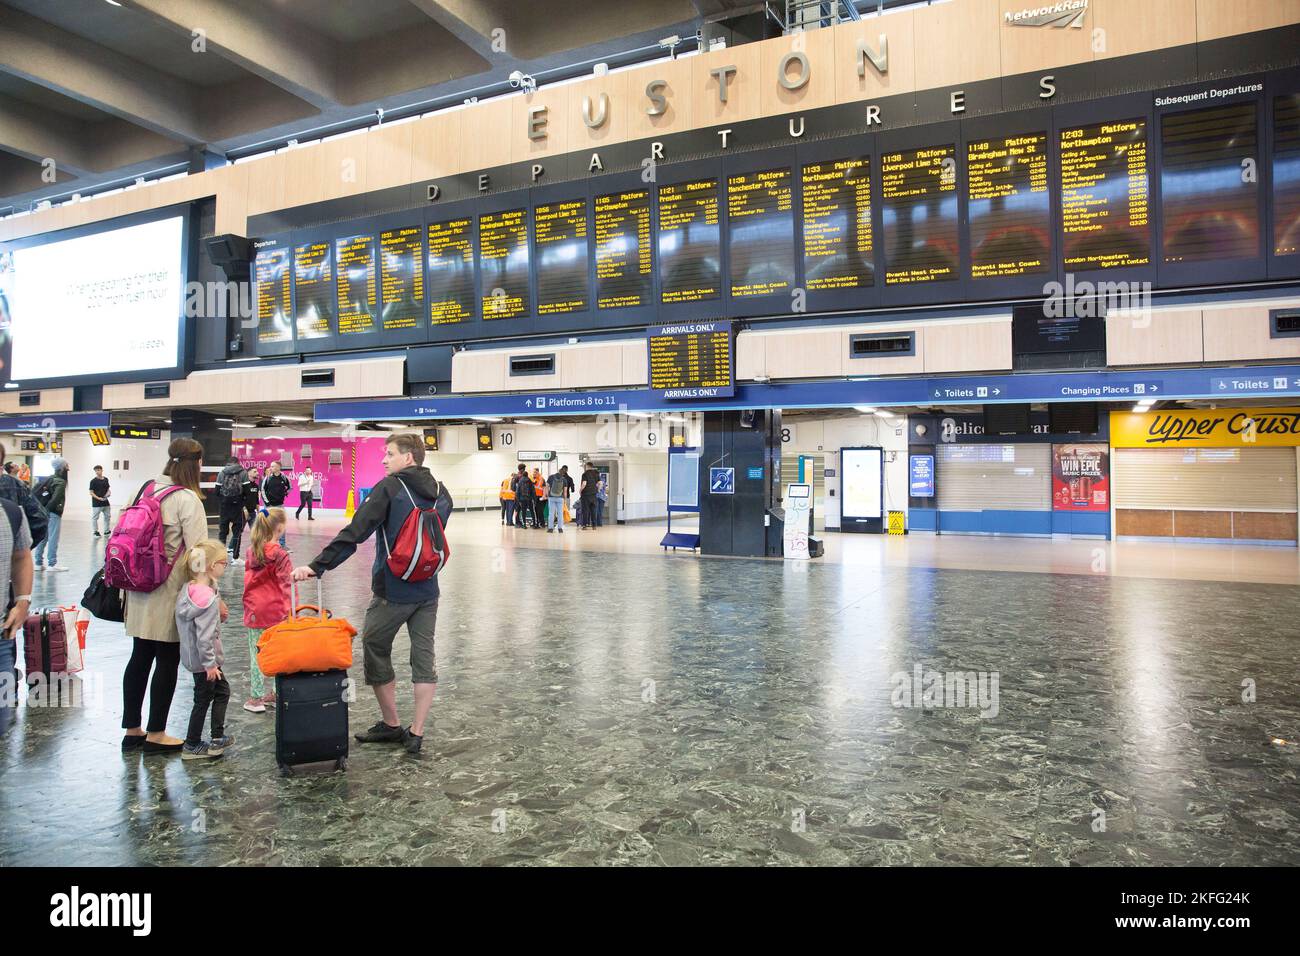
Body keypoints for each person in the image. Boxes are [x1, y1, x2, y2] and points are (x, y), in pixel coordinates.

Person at [292, 434, 446, 756]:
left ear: (408, 458)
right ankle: (416, 732)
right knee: (424, 656)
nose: (383, 460)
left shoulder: (389, 489)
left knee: (375, 647)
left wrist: (317, 565)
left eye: (389, 454)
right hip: (428, 588)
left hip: (392, 590)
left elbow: (355, 533)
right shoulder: (441, 493)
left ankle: (391, 724)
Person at [121, 438, 217, 755]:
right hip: (168, 590)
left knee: (139, 656)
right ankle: (157, 733)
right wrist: (209, 592)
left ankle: (132, 730)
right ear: (195, 464)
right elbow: (199, 554)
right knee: (167, 659)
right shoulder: (187, 499)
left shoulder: (145, 489)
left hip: (137, 588)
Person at [176, 539, 234, 760]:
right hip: (206, 662)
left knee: (220, 692)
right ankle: (192, 744)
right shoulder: (207, 598)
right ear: (211, 565)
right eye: (223, 563)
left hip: (198, 659)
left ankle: (217, 737)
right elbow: (205, 636)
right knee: (204, 699)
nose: (225, 567)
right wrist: (210, 664)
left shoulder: (190, 589)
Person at [242, 508, 291, 714]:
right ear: (279, 528)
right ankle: (276, 692)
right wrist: (290, 611)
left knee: (257, 655)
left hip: (255, 610)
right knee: (278, 654)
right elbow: (286, 585)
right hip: (277, 612)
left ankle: (256, 698)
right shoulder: (281, 555)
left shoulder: (251, 551)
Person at [0, 493, 33, 739]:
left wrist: (22, 602)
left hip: (1, 634)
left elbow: (21, 557)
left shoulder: (11, 513)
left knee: (2, 718)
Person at [0, 443, 46, 551]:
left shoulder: (17, 485)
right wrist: (19, 548)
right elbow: (40, 520)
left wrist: (20, 551)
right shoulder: (17, 484)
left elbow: (39, 520)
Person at [32, 458, 68, 572]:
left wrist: (43, 510)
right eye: (67, 465)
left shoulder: (48, 479)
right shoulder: (60, 481)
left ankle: (38, 563)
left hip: (42, 511)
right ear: (62, 467)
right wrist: (48, 510)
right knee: (53, 537)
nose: (69, 467)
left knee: (43, 537)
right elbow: (56, 498)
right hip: (53, 513)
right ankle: (52, 564)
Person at [216, 457, 248, 563]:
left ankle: (220, 558)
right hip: (237, 506)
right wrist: (241, 503)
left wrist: (222, 502)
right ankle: (235, 557)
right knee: (237, 532)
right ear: (238, 463)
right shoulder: (243, 473)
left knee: (222, 532)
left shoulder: (222, 472)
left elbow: (216, 491)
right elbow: (247, 491)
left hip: (224, 506)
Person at [261, 463, 291, 546]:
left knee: (282, 525)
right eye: (270, 466)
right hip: (268, 506)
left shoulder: (284, 478)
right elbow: (262, 490)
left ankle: (282, 545)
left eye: (272, 466)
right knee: (267, 524)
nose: (270, 468)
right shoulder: (268, 478)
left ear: (278, 467)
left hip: (280, 505)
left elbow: (289, 487)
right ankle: (267, 544)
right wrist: (267, 502)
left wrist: (284, 493)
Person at [89, 465, 112, 537]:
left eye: (99, 470)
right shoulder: (93, 481)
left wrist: (108, 494)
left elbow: (108, 489)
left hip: (105, 502)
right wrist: (99, 498)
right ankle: (95, 532)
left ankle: (106, 531)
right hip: (97, 503)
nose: (97, 471)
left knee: (107, 517)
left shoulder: (106, 479)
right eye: (96, 470)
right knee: (95, 518)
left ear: (102, 470)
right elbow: (91, 492)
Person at [545, 466, 569, 534]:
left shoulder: (551, 477)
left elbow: (546, 487)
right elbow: (565, 491)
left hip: (551, 497)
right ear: (563, 473)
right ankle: (560, 528)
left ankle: (550, 528)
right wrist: (565, 499)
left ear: (558, 471)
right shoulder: (564, 479)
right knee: (560, 513)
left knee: (551, 513)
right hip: (560, 498)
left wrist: (547, 495)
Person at [579, 463, 600, 530]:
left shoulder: (585, 474)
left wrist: (580, 490)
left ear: (587, 467)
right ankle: (594, 526)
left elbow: (584, 483)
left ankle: (584, 525)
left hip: (586, 495)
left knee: (585, 510)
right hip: (594, 495)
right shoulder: (596, 473)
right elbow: (600, 483)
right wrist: (598, 489)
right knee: (593, 510)